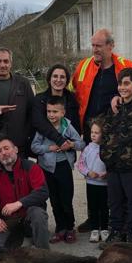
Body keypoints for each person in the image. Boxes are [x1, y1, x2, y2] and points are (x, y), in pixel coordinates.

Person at [71, 28, 132, 233]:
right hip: (90, 131)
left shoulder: (126, 66)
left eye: (99, 46)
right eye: (93, 45)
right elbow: (74, 91)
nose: (95, 50)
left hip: (114, 132)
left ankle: (113, 220)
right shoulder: (83, 66)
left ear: (111, 46)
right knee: (91, 178)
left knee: (111, 177)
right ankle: (94, 219)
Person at [100, 68, 132, 243]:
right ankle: (116, 232)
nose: (122, 87)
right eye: (120, 84)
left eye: (127, 83)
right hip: (113, 167)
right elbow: (105, 134)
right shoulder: (114, 109)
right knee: (114, 202)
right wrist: (106, 156)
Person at [0, 134, 49, 257]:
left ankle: (43, 254)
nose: (4, 153)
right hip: (9, 219)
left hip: (30, 216)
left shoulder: (31, 167)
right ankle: (19, 254)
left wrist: (19, 203)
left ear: (15, 149)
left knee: (38, 213)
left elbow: (42, 192)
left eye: (6, 148)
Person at [31, 96, 84, 244]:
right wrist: (49, 148)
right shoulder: (43, 128)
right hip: (47, 168)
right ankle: (60, 228)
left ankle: (70, 228)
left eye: (55, 111)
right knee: (54, 200)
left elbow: (81, 143)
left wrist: (71, 145)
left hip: (64, 167)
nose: (51, 115)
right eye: (48, 111)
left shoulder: (67, 126)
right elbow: (34, 146)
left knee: (66, 199)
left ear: (63, 113)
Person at [0, 47, 34, 156]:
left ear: (11, 63)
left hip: (19, 145)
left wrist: (26, 135)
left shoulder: (23, 83)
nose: (2, 65)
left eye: (6, 61)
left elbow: (32, 111)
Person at [31, 64, 80, 152]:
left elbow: (76, 124)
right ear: (49, 80)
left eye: (62, 77)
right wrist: (60, 141)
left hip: (67, 154)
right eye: (55, 76)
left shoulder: (72, 99)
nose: (58, 80)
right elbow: (40, 123)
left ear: (66, 81)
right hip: (46, 155)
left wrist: (70, 145)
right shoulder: (39, 100)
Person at [76, 120, 109, 243]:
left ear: (103, 134)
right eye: (92, 132)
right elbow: (80, 164)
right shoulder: (87, 148)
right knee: (93, 207)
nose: (93, 135)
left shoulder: (107, 149)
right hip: (91, 183)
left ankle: (105, 229)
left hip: (104, 183)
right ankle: (95, 229)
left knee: (105, 207)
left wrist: (107, 174)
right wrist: (88, 172)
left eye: (97, 133)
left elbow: (111, 164)